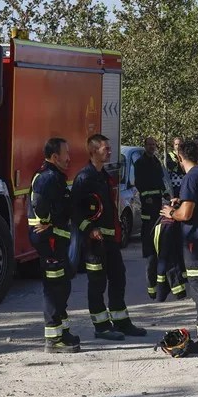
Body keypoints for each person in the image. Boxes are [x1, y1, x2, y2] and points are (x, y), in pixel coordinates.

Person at [72, 134, 147, 340]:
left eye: (109, 148)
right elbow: (75, 210)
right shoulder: (84, 177)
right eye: (106, 149)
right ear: (94, 151)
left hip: (111, 241)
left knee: (118, 278)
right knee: (97, 283)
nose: (110, 151)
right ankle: (101, 327)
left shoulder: (103, 176)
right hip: (94, 244)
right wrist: (90, 229)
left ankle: (121, 322)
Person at [161, 139, 198, 353]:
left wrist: (171, 213)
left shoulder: (191, 177)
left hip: (194, 239)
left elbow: (186, 214)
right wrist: (183, 202)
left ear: (180, 157)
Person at [29, 138, 80, 353]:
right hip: (49, 240)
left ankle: (63, 331)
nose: (69, 157)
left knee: (63, 284)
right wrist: (46, 221)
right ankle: (53, 339)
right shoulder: (47, 177)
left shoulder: (55, 177)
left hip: (57, 239)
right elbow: (39, 203)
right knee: (54, 288)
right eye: (66, 153)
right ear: (55, 156)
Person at [134, 136, 168, 299]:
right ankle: (151, 287)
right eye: (149, 145)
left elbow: (160, 180)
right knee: (149, 241)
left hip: (157, 204)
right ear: (145, 146)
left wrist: (165, 193)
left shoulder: (156, 162)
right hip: (148, 205)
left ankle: (159, 286)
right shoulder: (140, 163)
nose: (152, 147)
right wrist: (146, 197)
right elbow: (140, 183)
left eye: (154, 145)